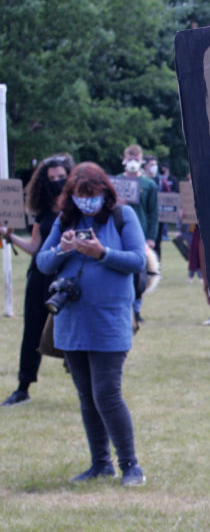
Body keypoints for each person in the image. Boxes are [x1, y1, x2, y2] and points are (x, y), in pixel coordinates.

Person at [35, 162, 148, 484]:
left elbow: (137, 260)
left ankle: (130, 465)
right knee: (87, 396)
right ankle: (100, 464)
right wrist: (63, 249)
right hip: (72, 322)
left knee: (107, 395)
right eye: (80, 195)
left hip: (109, 321)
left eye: (92, 194)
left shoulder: (123, 216)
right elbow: (43, 262)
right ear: (71, 195)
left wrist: (102, 253)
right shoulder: (65, 219)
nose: (87, 201)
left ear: (104, 192)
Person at [1, 154, 75, 406]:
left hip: (67, 279)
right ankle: (23, 387)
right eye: (52, 178)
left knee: (73, 332)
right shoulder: (43, 212)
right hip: (40, 277)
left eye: (61, 177)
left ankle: (86, 386)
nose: (57, 181)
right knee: (32, 330)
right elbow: (35, 247)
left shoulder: (77, 208)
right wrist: (9, 236)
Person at [120, 144, 158, 324]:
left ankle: (136, 309)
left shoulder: (149, 184)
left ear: (141, 160)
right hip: (119, 233)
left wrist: (151, 237)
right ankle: (124, 307)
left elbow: (153, 213)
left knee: (140, 275)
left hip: (140, 234)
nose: (133, 162)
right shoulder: (116, 182)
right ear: (124, 160)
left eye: (136, 158)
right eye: (130, 158)